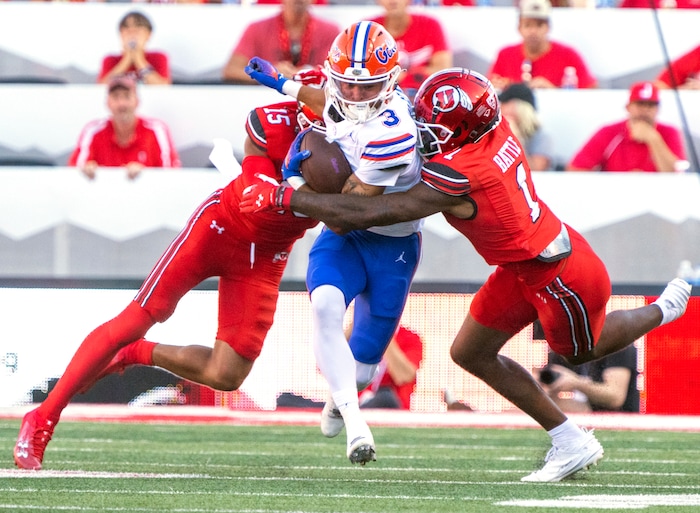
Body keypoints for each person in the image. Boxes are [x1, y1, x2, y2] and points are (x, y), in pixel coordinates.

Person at [240, 67, 693, 482]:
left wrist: (289, 197)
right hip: (520, 264)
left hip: (558, 274)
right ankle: (570, 439)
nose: (425, 132)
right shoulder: (489, 127)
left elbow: (374, 210)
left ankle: (660, 311)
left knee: (579, 350)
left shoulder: (460, 174)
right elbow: (371, 113)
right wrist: (289, 87)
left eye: (434, 127)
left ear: (460, 128)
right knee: (470, 352)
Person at [13, 93, 322, 471]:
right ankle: (42, 418)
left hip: (266, 254)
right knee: (135, 319)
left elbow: (348, 214)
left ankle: (137, 353)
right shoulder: (276, 121)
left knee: (226, 375)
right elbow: (254, 180)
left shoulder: (360, 144)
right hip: (219, 228)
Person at [244, 20, 423, 465]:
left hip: (389, 244)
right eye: (349, 84)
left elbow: (346, 215)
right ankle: (356, 425)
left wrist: (291, 185)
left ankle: (341, 399)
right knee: (324, 305)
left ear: (391, 81)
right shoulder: (347, 93)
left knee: (364, 358)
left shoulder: (395, 132)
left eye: (368, 88)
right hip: (346, 235)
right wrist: (283, 84)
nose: (356, 96)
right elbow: (331, 101)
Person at [68, 76, 181, 180]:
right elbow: (73, 173)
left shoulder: (156, 130)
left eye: (127, 96)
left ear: (137, 101)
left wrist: (145, 174)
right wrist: (86, 170)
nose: (122, 104)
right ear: (107, 103)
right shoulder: (92, 130)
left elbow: (171, 174)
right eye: (116, 97)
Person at [566, 81, 687, 173]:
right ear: (628, 107)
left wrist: (654, 140)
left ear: (657, 109)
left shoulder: (669, 132)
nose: (645, 110)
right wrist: (623, 180)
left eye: (650, 105)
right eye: (640, 104)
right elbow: (575, 169)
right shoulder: (609, 132)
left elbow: (676, 175)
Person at [222, 0, 339, 85]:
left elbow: (338, 75)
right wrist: (267, 75)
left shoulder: (330, 31)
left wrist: (306, 74)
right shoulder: (257, 29)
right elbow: (231, 70)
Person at [488, 0, 597, 91]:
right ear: (519, 28)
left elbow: (592, 90)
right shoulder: (505, 54)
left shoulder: (568, 55)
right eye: (527, 25)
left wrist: (553, 91)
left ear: (548, 27)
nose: (533, 31)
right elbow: (488, 88)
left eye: (539, 25)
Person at [370, 0, 453, 100]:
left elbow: (442, 70)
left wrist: (401, 77)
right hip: (381, 101)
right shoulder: (370, 30)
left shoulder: (430, 25)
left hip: (424, 98)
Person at [538, 345, 639, 414]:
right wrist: (537, 388)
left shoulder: (617, 346)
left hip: (621, 420)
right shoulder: (563, 350)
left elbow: (616, 397)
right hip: (588, 416)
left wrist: (576, 383)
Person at [358, 325, 423, 410]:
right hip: (358, 406)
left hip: (394, 411)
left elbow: (403, 377)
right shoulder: (358, 335)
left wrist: (383, 332)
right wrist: (359, 324)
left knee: (386, 397)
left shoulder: (409, 338)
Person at [98, 11, 171, 86]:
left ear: (148, 34)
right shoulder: (110, 60)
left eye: (137, 29)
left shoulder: (158, 58)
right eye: (127, 29)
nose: (132, 33)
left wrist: (139, 60)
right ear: (121, 34)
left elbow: (163, 87)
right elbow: (101, 87)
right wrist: (126, 60)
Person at [498, 82, 554, 171]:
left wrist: (515, 138)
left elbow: (536, 170)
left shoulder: (541, 136)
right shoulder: (497, 133)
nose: (501, 108)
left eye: (506, 103)